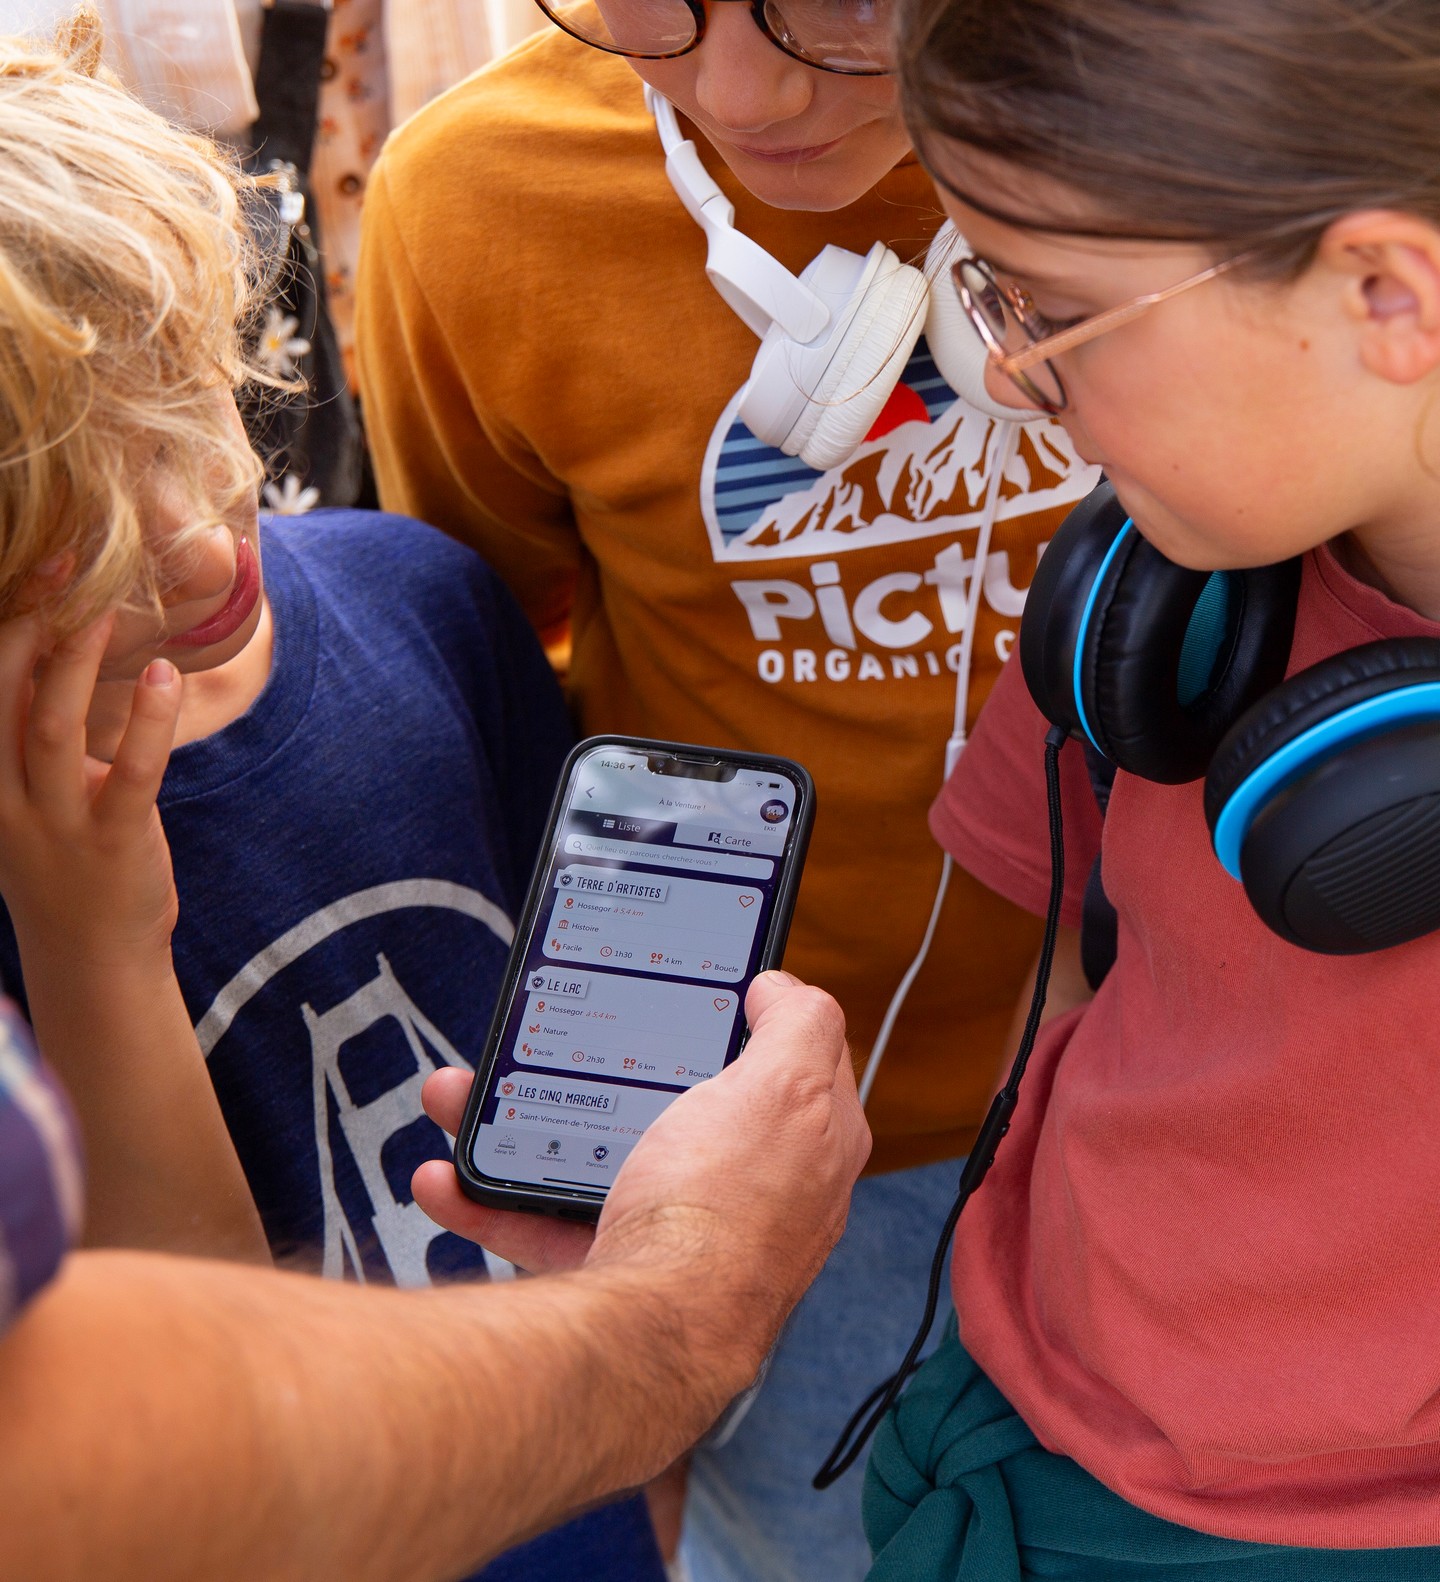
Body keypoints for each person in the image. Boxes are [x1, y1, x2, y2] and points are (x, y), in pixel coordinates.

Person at [0, 25, 869, 1575]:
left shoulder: (416, 595)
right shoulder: (32, 875)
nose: (202, 548)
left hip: (594, 1474)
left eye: (189, 417)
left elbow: (595, 1091)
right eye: (72, 539)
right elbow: (189, 1403)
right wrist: (90, 943)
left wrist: (660, 1445)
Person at [353, 3, 1100, 1574]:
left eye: (835, 9)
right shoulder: (474, 208)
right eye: (653, 7)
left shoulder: (1202, 123)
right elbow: (490, 668)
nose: (744, 91)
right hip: (781, 1161)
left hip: (1195, 1094)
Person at [861, 0, 1440, 1575]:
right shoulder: (1170, 594)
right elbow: (1076, 954)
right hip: (1015, 1392)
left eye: (1052, 310)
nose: (1005, 368)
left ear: (1392, 293)